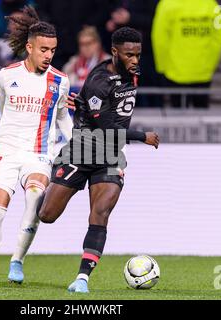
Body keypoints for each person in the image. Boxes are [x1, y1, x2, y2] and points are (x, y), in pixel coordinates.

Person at [36, 27, 160, 294]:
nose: (135, 60)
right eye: (129, 55)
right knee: (46, 215)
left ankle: (82, 278)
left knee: (100, 213)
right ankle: (38, 182)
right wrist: (142, 136)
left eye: (138, 54)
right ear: (115, 52)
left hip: (110, 155)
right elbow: (103, 127)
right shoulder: (100, 79)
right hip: (82, 150)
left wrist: (81, 103)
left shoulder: (133, 74)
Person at [0, 6, 75, 288]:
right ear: (29, 47)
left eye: (53, 50)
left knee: (35, 196)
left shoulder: (60, 81)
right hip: (7, 152)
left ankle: (18, 260)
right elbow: (2, 110)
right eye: (44, 49)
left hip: (39, 154)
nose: (49, 55)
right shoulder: (6, 76)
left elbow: (62, 118)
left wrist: (75, 145)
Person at [151, 0, 221, 109]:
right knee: (202, 114)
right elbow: (219, 39)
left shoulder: (167, 4)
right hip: (203, 70)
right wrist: (211, 64)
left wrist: (162, 67)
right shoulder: (212, 5)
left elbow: (159, 39)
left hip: (175, 71)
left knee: (178, 117)